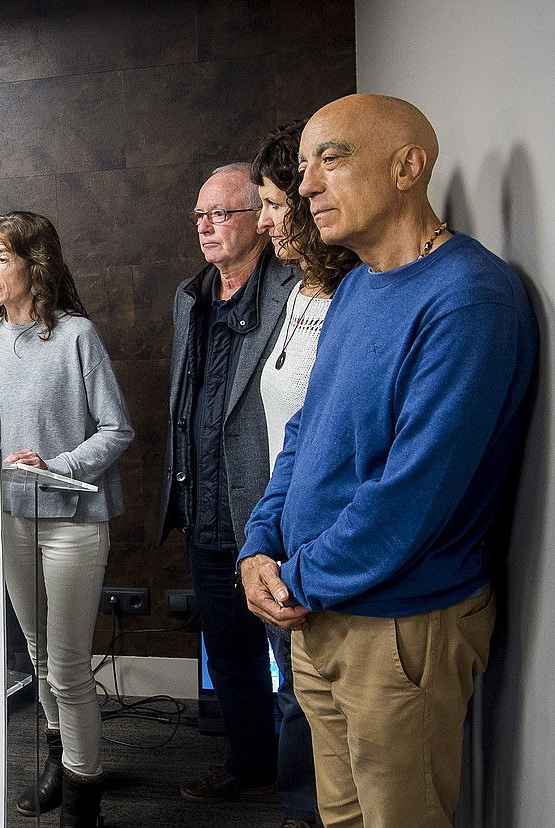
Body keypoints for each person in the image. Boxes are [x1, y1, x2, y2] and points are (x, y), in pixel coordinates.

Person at [239, 94, 536, 828]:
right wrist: (259, 545)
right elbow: (308, 433)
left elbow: (412, 494)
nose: (306, 186)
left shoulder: (469, 299)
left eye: (330, 160)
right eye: (304, 166)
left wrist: (295, 580)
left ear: (408, 166)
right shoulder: (359, 285)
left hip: (398, 631)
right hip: (317, 613)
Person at [0, 212, 134, 828]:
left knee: (68, 669)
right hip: (14, 517)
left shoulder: (75, 336)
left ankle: (83, 800)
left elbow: (118, 428)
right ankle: (58, 761)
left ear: (34, 267)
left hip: (71, 521)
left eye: (0, 259)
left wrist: (57, 465)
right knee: (38, 657)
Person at [160, 164, 298, 805]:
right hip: (206, 512)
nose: (205, 227)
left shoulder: (292, 295)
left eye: (221, 214)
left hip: (266, 512)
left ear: (261, 224)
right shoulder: (191, 298)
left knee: (293, 664)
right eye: (199, 215)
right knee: (231, 653)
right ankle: (252, 766)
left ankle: (306, 797)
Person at [249, 121, 360, 828]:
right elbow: (292, 435)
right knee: (290, 700)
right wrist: (260, 541)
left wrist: (304, 563)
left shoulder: (354, 297)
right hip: (279, 542)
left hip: (323, 557)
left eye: (269, 203)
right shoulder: (295, 293)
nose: (263, 222)